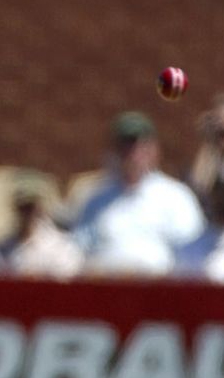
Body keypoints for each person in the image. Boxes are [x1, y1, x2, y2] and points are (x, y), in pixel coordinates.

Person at [72, 111, 204, 276]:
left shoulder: (175, 197)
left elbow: (192, 252)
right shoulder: (96, 200)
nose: (133, 153)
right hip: (107, 289)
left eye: (140, 145)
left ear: (154, 149)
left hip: (158, 290)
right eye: (125, 145)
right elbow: (80, 250)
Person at [0, 175, 83, 278]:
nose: (29, 213)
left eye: (33, 207)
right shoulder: (2, 249)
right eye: (23, 207)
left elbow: (67, 282)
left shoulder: (62, 247)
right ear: (15, 209)